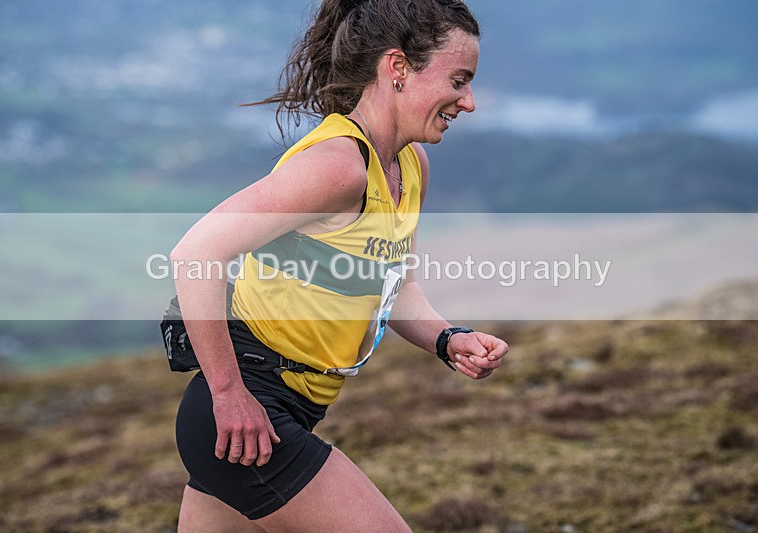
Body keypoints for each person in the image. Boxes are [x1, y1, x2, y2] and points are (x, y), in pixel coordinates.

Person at [170, 0, 509, 530]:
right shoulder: (337, 168)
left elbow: (391, 284)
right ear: (397, 68)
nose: (468, 102)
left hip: (280, 411)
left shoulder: (409, 165)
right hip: (249, 412)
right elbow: (195, 254)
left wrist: (448, 338)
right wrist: (230, 394)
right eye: (459, 80)